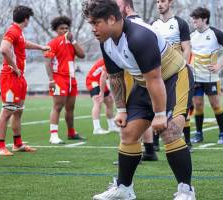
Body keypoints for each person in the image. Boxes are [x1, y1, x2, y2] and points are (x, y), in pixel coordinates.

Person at [82, 0, 196, 199]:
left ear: (111, 19)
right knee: (127, 133)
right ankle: (124, 189)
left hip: (174, 78)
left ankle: (186, 191)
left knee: (170, 131)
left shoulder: (139, 36)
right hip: (145, 83)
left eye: (96, 23)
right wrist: (121, 109)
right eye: (90, 23)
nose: (92, 29)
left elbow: (155, 78)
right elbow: (116, 77)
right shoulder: (105, 40)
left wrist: (160, 114)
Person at [0, 5, 50, 156]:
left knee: (18, 111)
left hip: (19, 77)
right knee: (7, 111)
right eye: (29, 19)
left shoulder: (18, 32)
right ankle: (1, 147)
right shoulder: (12, 31)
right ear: (26, 19)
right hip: (10, 76)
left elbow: (23, 44)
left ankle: (17, 144)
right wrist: (14, 67)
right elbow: (4, 49)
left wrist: (41, 47)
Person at [116, 0, 158, 161]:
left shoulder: (130, 28)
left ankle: (135, 151)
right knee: (140, 116)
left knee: (133, 116)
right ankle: (148, 150)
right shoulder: (143, 25)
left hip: (135, 76)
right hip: (139, 75)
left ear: (126, 8)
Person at [152, 0, 193, 152]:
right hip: (158, 74)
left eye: (162, 1)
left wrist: (183, 66)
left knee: (179, 110)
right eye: (157, 2)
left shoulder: (180, 23)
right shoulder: (153, 25)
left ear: (170, 2)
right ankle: (153, 144)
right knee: (156, 107)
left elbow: (186, 48)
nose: (159, 4)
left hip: (177, 73)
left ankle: (186, 142)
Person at [190, 7, 223, 144]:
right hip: (196, 77)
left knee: (215, 104)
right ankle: (198, 133)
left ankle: (222, 133)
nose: (194, 23)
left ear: (204, 19)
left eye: (196, 20)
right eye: (193, 21)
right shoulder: (192, 36)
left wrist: (219, 65)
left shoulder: (215, 33)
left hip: (211, 78)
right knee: (197, 105)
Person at [44, 16, 86, 144]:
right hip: (59, 78)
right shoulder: (53, 43)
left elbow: (82, 55)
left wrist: (73, 41)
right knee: (57, 107)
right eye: (62, 28)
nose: (65, 30)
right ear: (56, 30)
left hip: (71, 79)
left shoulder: (72, 43)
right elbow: (47, 62)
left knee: (70, 108)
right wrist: (51, 80)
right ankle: (53, 135)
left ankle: (71, 132)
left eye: (67, 28)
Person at [86, 58, 119, 134]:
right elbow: (106, 76)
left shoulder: (114, 58)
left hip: (100, 80)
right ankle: (96, 128)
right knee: (98, 102)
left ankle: (111, 126)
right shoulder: (110, 58)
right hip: (93, 80)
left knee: (109, 101)